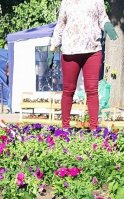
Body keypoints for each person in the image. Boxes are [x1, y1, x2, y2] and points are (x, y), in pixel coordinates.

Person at [50, 0, 118, 130]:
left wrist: (108, 26)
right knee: (68, 90)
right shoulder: (67, 1)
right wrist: (53, 45)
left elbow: (103, 18)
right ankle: (65, 127)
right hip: (70, 50)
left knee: (92, 90)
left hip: (92, 50)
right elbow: (61, 23)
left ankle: (94, 128)